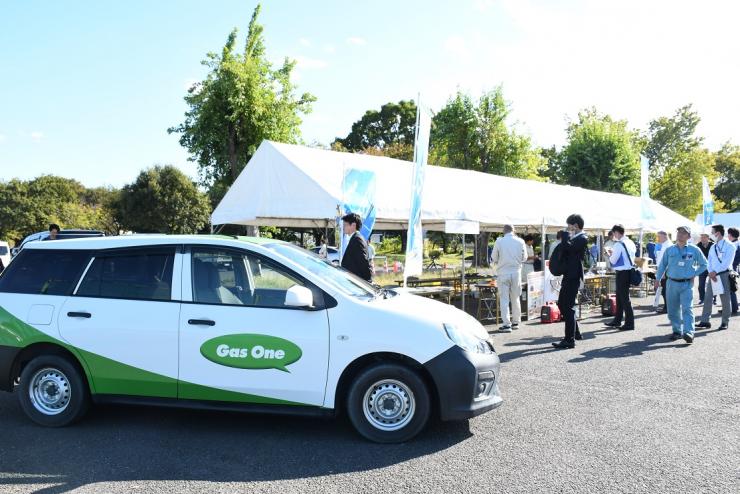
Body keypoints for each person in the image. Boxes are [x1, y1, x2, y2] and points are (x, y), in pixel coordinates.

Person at [655, 225, 708, 344]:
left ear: (688, 236)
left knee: (687, 309)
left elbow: (704, 264)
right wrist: (657, 279)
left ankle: (689, 332)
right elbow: (662, 265)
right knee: (673, 309)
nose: (680, 234)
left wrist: (694, 273)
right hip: (671, 283)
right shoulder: (670, 249)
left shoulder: (694, 249)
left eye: (683, 233)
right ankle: (677, 330)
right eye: (679, 232)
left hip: (686, 284)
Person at [552, 214, 587, 350]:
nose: (568, 228)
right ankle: (575, 333)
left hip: (573, 276)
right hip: (569, 275)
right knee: (563, 304)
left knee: (568, 306)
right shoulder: (576, 238)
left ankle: (569, 340)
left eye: (569, 225)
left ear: (576, 226)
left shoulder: (582, 238)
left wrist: (565, 235)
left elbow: (568, 248)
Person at [697, 224, 736, 330]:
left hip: (724, 274)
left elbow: (727, 262)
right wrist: (710, 272)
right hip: (712, 275)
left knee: (725, 299)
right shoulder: (713, 246)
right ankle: (705, 321)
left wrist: (715, 271)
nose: (711, 234)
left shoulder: (730, 245)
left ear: (717, 233)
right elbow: (708, 261)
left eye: (712, 232)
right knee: (708, 297)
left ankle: (725, 322)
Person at [490, 225, 528, 333]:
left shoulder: (499, 241)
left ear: (503, 231)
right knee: (515, 298)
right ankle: (516, 321)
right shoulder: (520, 241)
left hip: (503, 273)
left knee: (504, 299)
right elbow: (524, 258)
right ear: (514, 230)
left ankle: (507, 324)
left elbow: (494, 257)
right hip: (516, 272)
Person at [604, 224, 636, 331]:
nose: (613, 235)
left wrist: (609, 253)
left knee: (624, 298)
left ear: (616, 232)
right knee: (620, 297)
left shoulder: (619, 244)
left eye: (613, 233)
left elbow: (613, 260)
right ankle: (617, 320)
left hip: (622, 272)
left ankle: (629, 323)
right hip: (628, 271)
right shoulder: (630, 242)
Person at [340, 213, 372, 282]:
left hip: (358, 283)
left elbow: (363, 263)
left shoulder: (357, 239)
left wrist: (368, 282)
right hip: (354, 281)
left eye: (345, 225)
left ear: (353, 225)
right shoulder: (354, 238)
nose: (343, 227)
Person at [652, 230, 673, 313]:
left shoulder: (667, 245)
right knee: (665, 290)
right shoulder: (665, 245)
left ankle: (667, 308)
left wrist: (663, 273)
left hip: (666, 271)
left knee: (665, 290)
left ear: (665, 236)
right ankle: (667, 307)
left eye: (659, 236)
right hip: (665, 270)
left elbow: (666, 261)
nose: (658, 238)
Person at [696, 232, 714, 305]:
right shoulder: (698, 245)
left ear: (708, 238)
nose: (702, 239)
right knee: (701, 285)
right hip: (702, 267)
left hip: (712, 267)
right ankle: (702, 299)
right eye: (701, 237)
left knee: (713, 284)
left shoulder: (713, 245)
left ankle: (713, 299)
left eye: (704, 237)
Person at [728, 227, 739, 314]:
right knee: (731, 288)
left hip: (732, 268)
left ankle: (733, 307)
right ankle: (732, 307)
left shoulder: (733, 245)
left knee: (731, 288)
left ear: (730, 235)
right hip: (734, 268)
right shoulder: (736, 243)